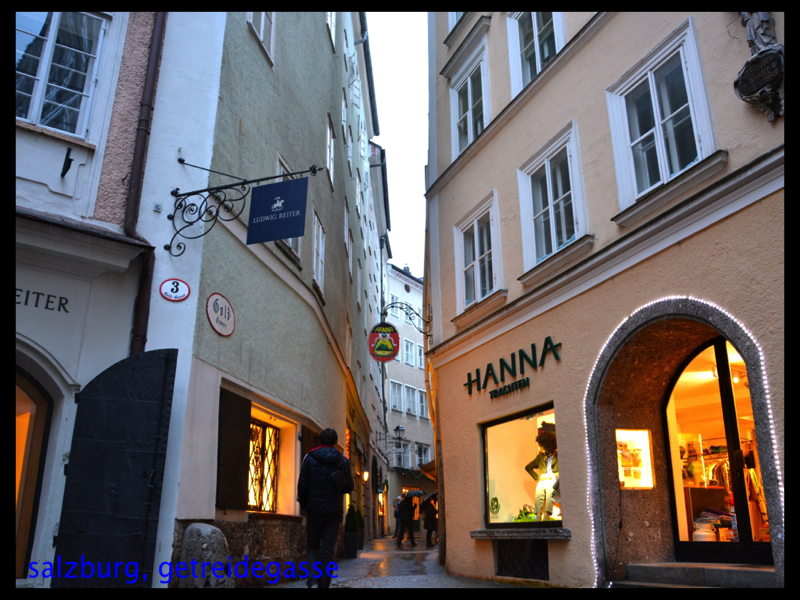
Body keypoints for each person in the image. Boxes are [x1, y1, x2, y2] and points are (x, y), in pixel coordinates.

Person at [297, 428, 353, 589]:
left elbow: (302, 484)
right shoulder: (342, 460)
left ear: (320, 441)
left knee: (313, 546)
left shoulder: (309, 457)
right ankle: (324, 586)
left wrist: (304, 504)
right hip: (333, 511)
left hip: (314, 510)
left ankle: (313, 582)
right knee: (328, 550)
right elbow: (348, 486)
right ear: (335, 442)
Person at [524, 429, 560, 522]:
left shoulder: (558, 456)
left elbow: (562, 471)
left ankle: (546, 517)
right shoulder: (540, 457)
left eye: (541, 445)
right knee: (539, 491)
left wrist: (554, 475)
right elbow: (528, 467)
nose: (540, 447)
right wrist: (538, 478)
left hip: (553, 480)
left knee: (550, 491)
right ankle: (538, 517)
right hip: (543, 480)